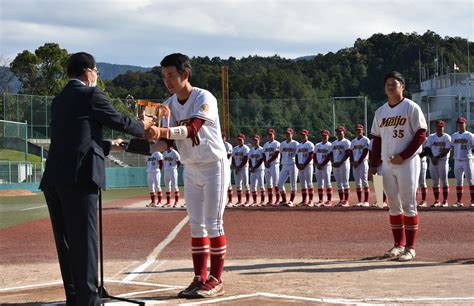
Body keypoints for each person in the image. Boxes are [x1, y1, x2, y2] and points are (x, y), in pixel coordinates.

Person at [39, 52, 154, 305]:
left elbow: (75, 136)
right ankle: (89, 299)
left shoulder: (59, 99)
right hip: (79, 178)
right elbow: (119, 120)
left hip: (55, 178)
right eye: (97, 73)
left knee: (67, 242)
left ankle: (75, 296)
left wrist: (107, 145)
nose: (97, 77)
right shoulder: (91, 94)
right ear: (88, 71)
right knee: (85, 241)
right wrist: (142, 125)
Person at [150, 53, 230, 298]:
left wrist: (161, 130)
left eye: (171, 75)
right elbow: (166, 143)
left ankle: (216, 279)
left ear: (185, 74)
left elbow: (193, 128)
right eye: (164, 76)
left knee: (213, 223)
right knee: (197, 226)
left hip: (214, 165)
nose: (168, 81)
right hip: (191, 167)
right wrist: (136, 142)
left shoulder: (204, 97)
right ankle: (199, 278)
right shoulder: (169, 104)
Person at [369, 71, 427, 262]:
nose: (390, 86)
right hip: (386, 164)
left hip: (407, 162)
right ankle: (398, 245)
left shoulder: (411, 107)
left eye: (394, 83)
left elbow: (421, 134)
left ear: (403, 86)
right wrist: (372, 164)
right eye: (387, 83)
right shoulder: (380, 112)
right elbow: (376, 140)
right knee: (393, 205)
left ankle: (410, 248)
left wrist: (404, 156)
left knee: (409, 204)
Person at [425, 120, 451, 207]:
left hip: (442, 161)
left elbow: (447, 150)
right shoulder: (431, 137)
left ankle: (445, 201)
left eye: (441, 126)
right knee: (435, 181)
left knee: (444, 180)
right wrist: (432, 157)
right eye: (438, 126)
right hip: (433, 161)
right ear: (435, 127)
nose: (439, 128)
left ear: (444, 127)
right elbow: (427, 148)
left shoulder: (447, 137)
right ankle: (436, 201)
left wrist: (437, 157)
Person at [450, 116, 474, 207]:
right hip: (457, 160)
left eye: (462, 123)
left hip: (468, 160)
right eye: (459, 123)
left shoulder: (470, 135)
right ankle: (459, 201)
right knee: (458, 181)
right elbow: (451, 148)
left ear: (465, 124)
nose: (460, 125)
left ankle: (473, 200)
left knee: (471, 181)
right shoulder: (454, 135)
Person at [277, 128, 299, 207]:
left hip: (293, 164)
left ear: (292, 134)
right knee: (279, 183)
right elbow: (279, 153)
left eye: (289, 133)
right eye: (286, 133)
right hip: (284, 164)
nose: (287, 135)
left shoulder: (296, 143)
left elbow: (297, 155)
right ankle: (284, 200)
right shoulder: (282, 143)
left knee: (293, 183)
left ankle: (291, 201)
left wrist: (298, 163)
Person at [350, 124, 370, 207]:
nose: (358, 131)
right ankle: (359, 201)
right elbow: (351, 152)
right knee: (358, 182)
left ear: (363, 130)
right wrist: (352, 161)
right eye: (357, 129)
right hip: (355, 163)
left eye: (360, 129)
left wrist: (358, 161)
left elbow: (365, 152)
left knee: (364, 181)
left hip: (362, 162)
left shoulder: (366, 140)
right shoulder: (353, 141)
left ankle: (366, 201)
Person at [331, 125, 352, 207]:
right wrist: (333, 162)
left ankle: (346, 201)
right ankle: (341, 200)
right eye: (337, 131)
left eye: (340, 131)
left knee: (345, 183)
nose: (338, 133)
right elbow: (331, 154)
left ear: (344, 132)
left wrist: (340, 162)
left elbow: (348, 154)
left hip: (344, 164)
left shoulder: (346, 142)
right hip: (335, 165)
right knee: (339, 184)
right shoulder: (333, 143)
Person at [314, 130, 333, 207]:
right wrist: (317, 164)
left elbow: (329, 157)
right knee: (319, 184)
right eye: (323, 135)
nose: (324, 137)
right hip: (318, 166)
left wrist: (321, 164)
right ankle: (321, 200)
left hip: (326, 166)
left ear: (328, 136)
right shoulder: (317, 145)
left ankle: (329, 200)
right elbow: (314, 156)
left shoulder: (330, 145)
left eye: (325, 135)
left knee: (327, 183)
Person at [296, 129, 315, 206]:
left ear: (307, 135)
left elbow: (311, 156)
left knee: (309, 183)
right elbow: (296, 156)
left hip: (308, 166)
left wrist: (304, 164)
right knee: (303, 184)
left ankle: (311, 200)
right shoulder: (299, 145)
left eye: (304, 135)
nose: (302, 136)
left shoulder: (310, 144)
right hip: (300, 166)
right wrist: (297, 165)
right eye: (302, 135)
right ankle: (304, 200)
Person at [262, 128, 281, 206]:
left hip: (274, 164)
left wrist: (268, 161)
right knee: (268, 184)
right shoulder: (265, 144)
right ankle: (270, 200)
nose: (270, 135)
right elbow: (263, 154)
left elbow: (276, 154)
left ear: (274, 135)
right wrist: (265, 162)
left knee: (276, 183)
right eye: (269, 134)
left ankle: (278, 200)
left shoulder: (277, 143)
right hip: (267, 165)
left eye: (271, 134)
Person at [232, 133, 251, 206]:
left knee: (246, 184)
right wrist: (235, 166)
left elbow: (245, 159)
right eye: (238, 139)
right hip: (237, 168)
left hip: (244, 168)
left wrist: (238, 167)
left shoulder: (246, 148)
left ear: (243, 139)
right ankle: (239, 201)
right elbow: (233, 158)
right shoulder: (235, 148)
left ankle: (247, 201)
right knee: (238, 185)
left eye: (241, 139)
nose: (239, 141)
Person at [248, 134, 266, 206]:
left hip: (260, 169)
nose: (255, 141)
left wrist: (254, 167)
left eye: (256, 140)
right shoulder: (251, 150)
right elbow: (249, 160)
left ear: (259, 140)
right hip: (253, 170)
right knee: (253, 186)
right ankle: (255, 201)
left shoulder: (261, 149)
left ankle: (262, 201)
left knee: (261, 185)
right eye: (254, 140)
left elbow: (261, 160)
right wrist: (251, 167)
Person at [222, 133, 234, 207]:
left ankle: (230, 201)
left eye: (223, 137)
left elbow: (228, 155)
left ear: (225, 138)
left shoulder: (228, 145)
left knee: (228, 184)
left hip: (226, 166)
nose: (221, 138)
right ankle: (222, 201)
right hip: (219, 167)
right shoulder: (218, 145)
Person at [417, 141, 429, 207]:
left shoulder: (426, 140)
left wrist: (416, 156)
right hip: (413, 162)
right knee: (414, 182)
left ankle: (423, 200)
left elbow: (426, 151)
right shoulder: (411, 137)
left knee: (422, 182)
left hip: (422, 161)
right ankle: (414, 200)